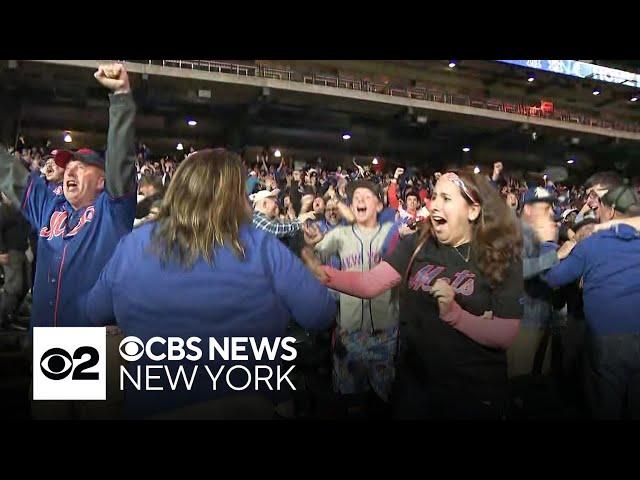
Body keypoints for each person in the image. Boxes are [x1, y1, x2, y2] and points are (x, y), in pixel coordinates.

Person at [87, 148, 337, 419]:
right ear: (233, 195)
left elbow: (94, 311)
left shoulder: (133, 244)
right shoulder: (260, 245)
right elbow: (319, 313)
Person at [303, 171, 524, 419]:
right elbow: (369, 283)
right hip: (417, 387)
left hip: (473, 393)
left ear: (472, 211)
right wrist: (323, 274)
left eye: (446, 198)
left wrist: (456, 315)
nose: (434, 204)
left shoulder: (499, 255)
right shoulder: (418, 243)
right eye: (434, 196)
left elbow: (505, 333)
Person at [302, 179, 400, 414]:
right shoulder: (340, 234)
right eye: (356, 197)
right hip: (350, 334)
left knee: (384, 402)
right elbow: (311, 258)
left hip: (385, 335)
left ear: (378, 205)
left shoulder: (392, 233)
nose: (359, 201)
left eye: (367, 196)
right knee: (349, 402)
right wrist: (310, 247)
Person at [544, 186, 640, 419]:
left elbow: (553, 277)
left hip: (608, 342)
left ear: (611, 210)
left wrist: (549, 246)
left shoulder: (593, 244)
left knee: (607, 403)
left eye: (601, 209)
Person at [0, 196, 30, 330]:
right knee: (14, 286)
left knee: (26, 285)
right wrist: (1, 252)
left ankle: (13, 315)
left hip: (22, 251)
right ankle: (3, 319)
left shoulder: (19, 209)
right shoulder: (4, 210)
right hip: (10, 253)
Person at [251, 189, 315, 239]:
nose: (277, 206)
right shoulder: (256, 219)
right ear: (265, 204)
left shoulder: (262, 218)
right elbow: (275, 229)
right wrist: (298, 221)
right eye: (275, 202)